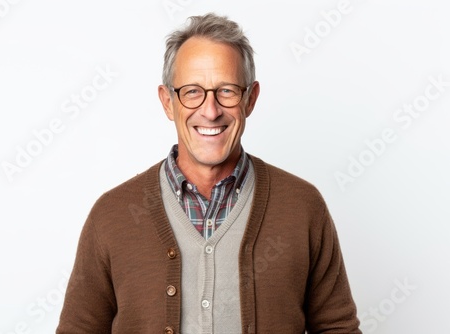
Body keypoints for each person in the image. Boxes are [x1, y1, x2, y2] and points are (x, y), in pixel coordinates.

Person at [56, 13, 361, 334]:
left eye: (226, 91)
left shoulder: (303, 206)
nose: (211, 110)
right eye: (192, 91)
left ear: (250, 99)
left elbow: (337, 327)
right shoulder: (112, 214)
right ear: (167, 102)